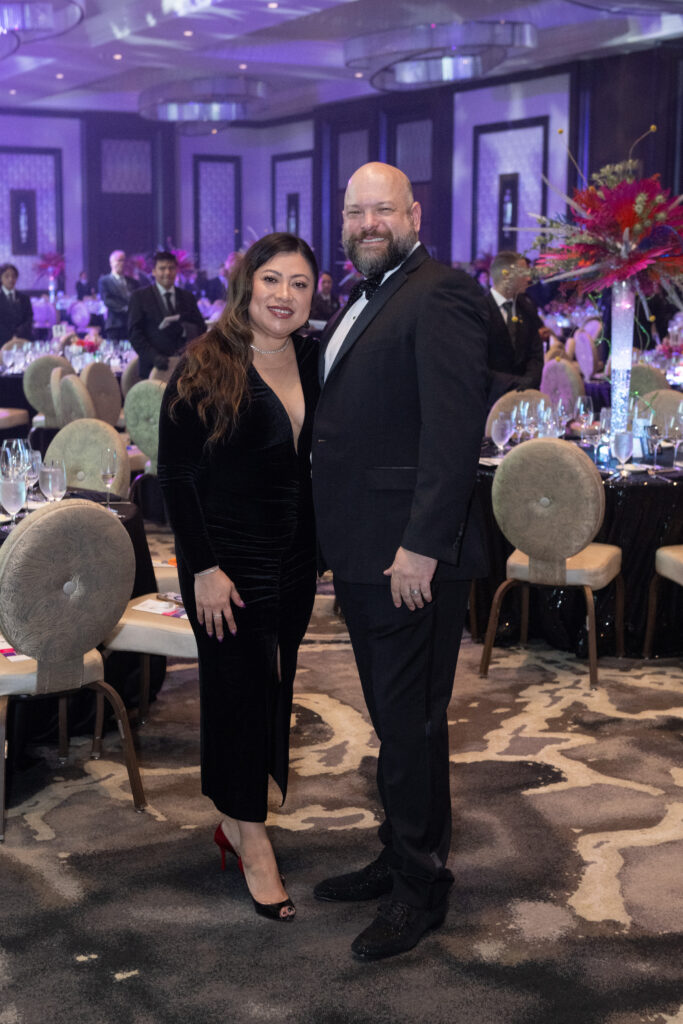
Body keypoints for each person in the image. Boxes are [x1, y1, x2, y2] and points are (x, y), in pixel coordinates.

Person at [311, 162, 489, 959]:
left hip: (408, 556)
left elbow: (452, 435)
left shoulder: (439, 292)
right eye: (354, 212)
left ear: (413, 213)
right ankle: (398, 854)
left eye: (381, 209)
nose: (366, 222)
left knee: (410, 723)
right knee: (393, 721)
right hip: (364, 550)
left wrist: (420, 545)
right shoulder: (366, 295)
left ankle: (421, 888)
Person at [157, 232, 319, 923]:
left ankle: (236, 815)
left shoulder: (315, 358)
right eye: (272, 280)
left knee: (270, 689)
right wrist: (204, 569)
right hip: (226, 562)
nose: (284, 296)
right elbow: (177, 477)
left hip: (294, 560)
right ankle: (251, 840)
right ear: (246, 285)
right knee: (235, 695)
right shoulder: (204, 364)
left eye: (300, 284)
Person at [127, 251, 206, 378]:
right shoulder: (140, 297)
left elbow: (201, 328)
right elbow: (135, 334)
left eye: (171, 268)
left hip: (185, 369)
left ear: (176, 270)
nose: (167, 273)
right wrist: (155, 357)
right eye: (162, 268)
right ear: (154, 271)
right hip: (153, 368)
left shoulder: (187, 297)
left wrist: (186, 330)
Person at [486, 251, 544, 407]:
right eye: (524, 274)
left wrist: (529, 382)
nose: (528, 279)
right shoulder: (479, 310)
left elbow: (536, 354)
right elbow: (477, 363)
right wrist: (514, 384)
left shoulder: (526, 308)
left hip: (525, 401)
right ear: (506, 276)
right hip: (489, 399)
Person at [98, 250, 138, 341]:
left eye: (124, 260)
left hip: (131, 325)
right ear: (111, 263)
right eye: (119, 260)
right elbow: (108, 301)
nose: (122, 263)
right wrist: (126, 309)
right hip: (115, 325)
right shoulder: (104, 281)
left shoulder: (133, 282)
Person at [0, 263, 33, 343]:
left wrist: (17, 335)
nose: (11, 279)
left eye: (13, 276)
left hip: (22, 340)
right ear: (1, 278)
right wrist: (10, 337)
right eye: (7, 276)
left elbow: (29, 319)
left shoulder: (24, 298)